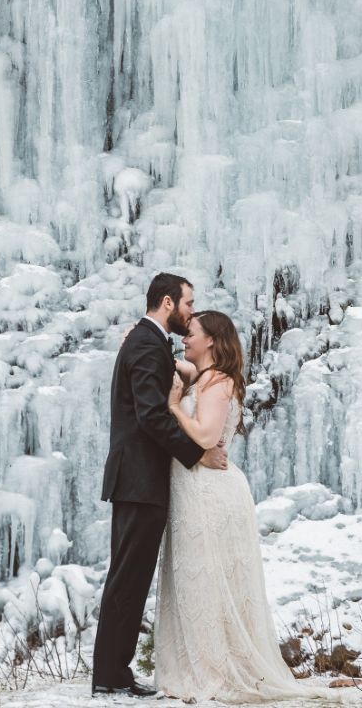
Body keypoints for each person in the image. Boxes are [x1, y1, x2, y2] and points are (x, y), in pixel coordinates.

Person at [153, 309, 350, 702]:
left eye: (190, 333)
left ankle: (212, 672)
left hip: (209, 492)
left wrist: (175, 407)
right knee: (195, 579)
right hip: (195, 489)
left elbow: (207, 436)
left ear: (211, 340)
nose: (184, 339)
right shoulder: (204, 377)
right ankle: (197, 668)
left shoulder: (219, 382)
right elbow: (172, 364)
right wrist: (141, 342)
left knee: (207, 580)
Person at [92, 273, 228, 697]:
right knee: (128, 579)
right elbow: (152, 417)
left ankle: (112, 672)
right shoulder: (148, 344)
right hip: (139, 479)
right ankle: (111, 676)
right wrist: (197, 454)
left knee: (128, 577)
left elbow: (167, 386)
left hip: (136, 478)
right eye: (189, 303)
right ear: (168, 303)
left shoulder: (148, 343)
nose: (191, 311)